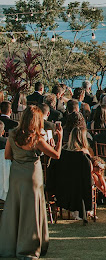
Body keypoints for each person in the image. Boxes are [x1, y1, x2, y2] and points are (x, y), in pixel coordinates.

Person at [0, 105, 63, 259]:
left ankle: (11, 245)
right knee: (32, 210)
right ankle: (29, 246)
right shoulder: (37, 139)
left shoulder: (13, 134)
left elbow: (7, 155)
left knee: (15, 207)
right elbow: (56, 155)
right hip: (32, 175)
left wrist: (19, 157)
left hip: (16, 175)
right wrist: (60, 138)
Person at [65, 126, 106, 207]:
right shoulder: (84, 152)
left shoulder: (65, 150)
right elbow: (89, 169)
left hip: (68, 179)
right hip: (82, 181)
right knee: (94, 174)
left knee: (94, 174)